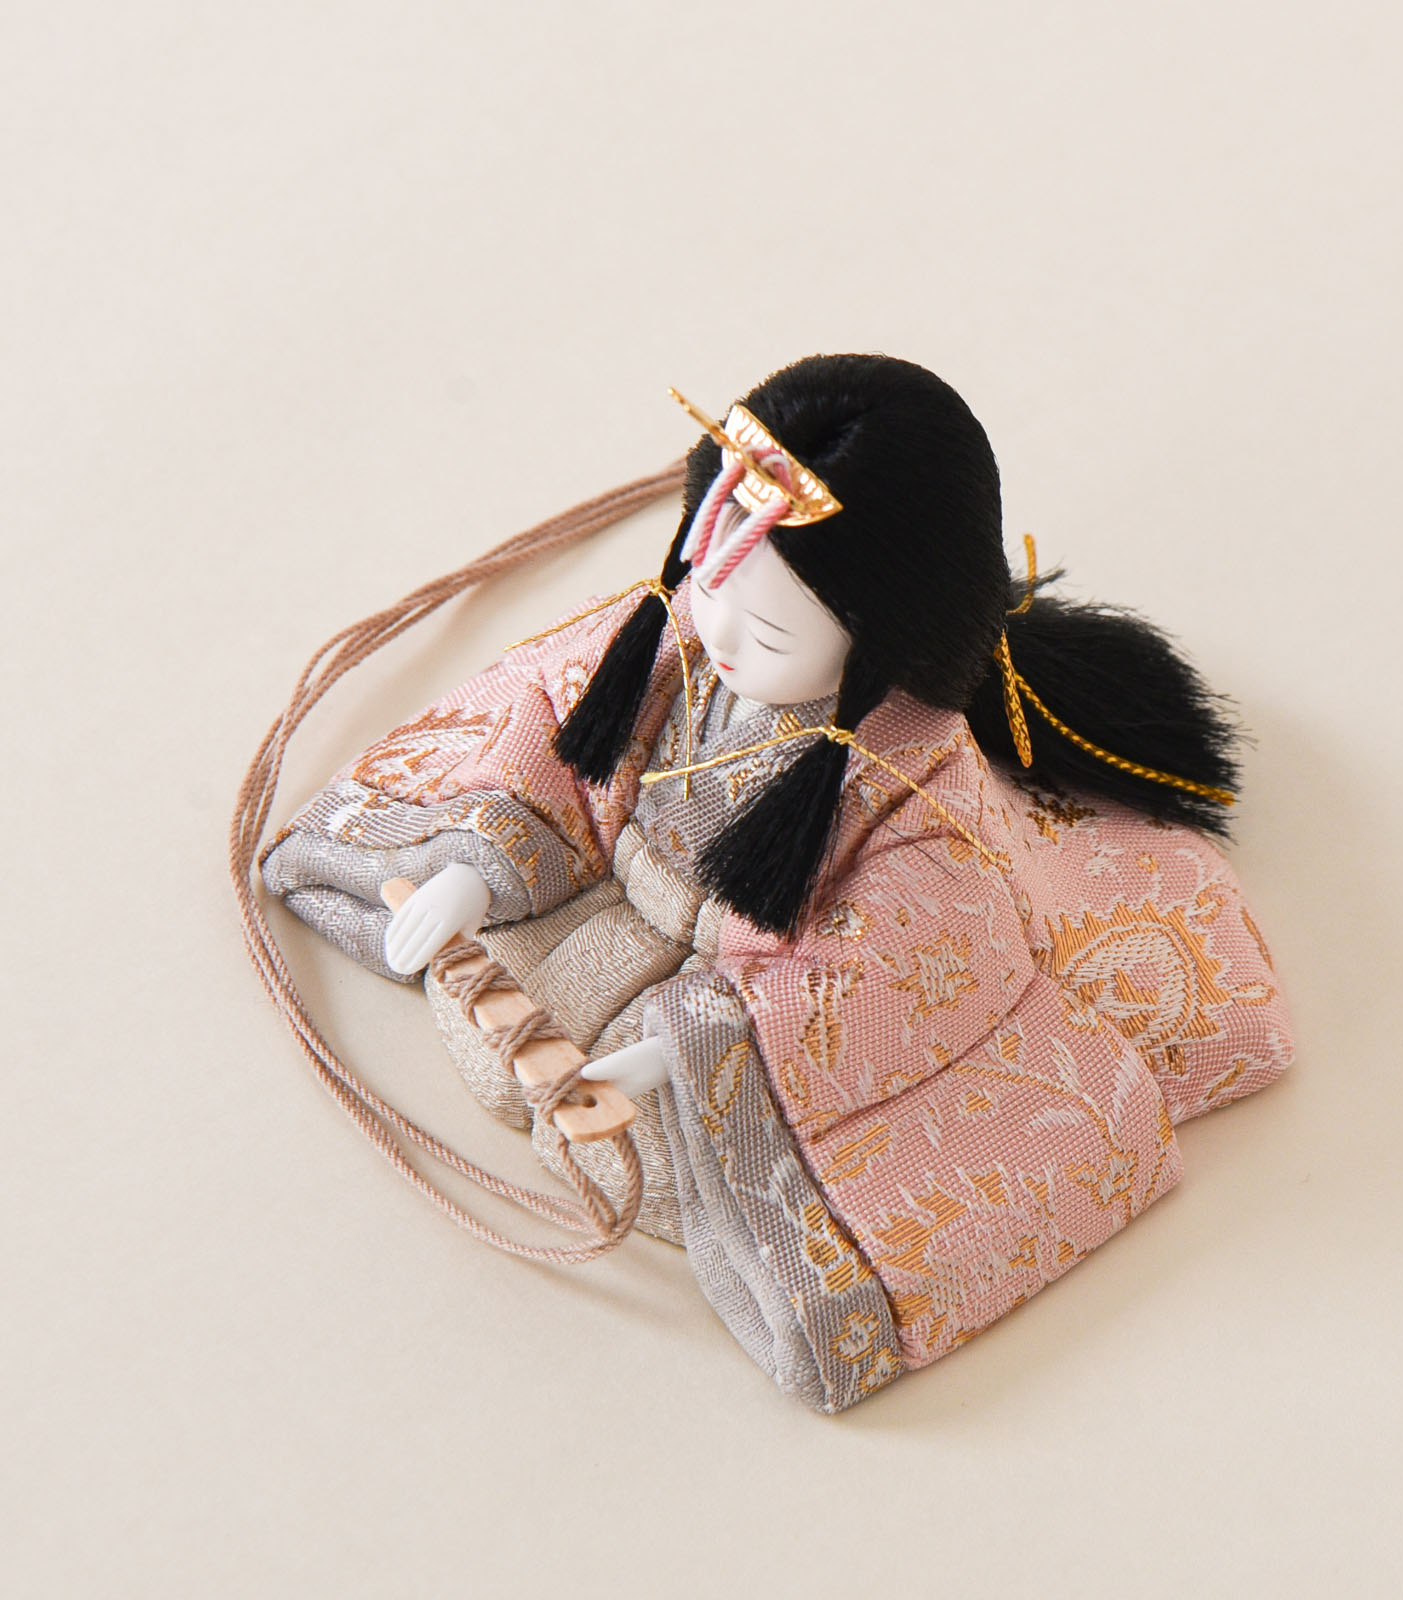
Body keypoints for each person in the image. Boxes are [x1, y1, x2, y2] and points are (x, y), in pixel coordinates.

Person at [262, 354, 1292, 1411]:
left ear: (882, 640)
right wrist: (473, 879)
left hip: (745, 990)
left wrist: (688, 1052)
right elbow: (562, 724)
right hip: (601, 916)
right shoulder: (688, 633)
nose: (716, 633)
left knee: (674, 1149)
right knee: (498, 1009)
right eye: (708, 584)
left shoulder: (911, 785)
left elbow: (896, 965)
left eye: (768, 632)